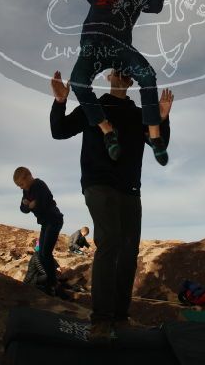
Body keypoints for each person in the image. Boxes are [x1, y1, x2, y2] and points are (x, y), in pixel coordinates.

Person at [50, 68, 173, 342]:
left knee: (129, 250)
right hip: (98, 183)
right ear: (108, 78)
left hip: (130, 188)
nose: (122, 75)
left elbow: (159, 144)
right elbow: (59, 131)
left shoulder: (139, 114)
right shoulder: (94, 107)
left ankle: (120, 315)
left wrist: (163, 119)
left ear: (130, 81)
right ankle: (102, 320)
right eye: (117, 71)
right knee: (110, 242)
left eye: (126, 72)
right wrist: (60, 103)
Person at [64, 0, 170, 166]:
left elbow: (157, 6)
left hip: (119, 46)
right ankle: (107, 130)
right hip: (92, 47)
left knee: (147, 76)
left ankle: (154, 134)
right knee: (78, 83)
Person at [14, 167, 64, 295]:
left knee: (46, 253)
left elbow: (46, 200)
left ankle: (52, 283)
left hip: (54, 220)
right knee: (41, 254)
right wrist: (26, 205)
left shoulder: (39, 185)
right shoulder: (26, 191)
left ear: (28, 176)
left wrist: (35, 205)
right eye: (19, 185)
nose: (21, 187)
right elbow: (23, 209)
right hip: (45, 223)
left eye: (21, 184)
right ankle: (51, 281)